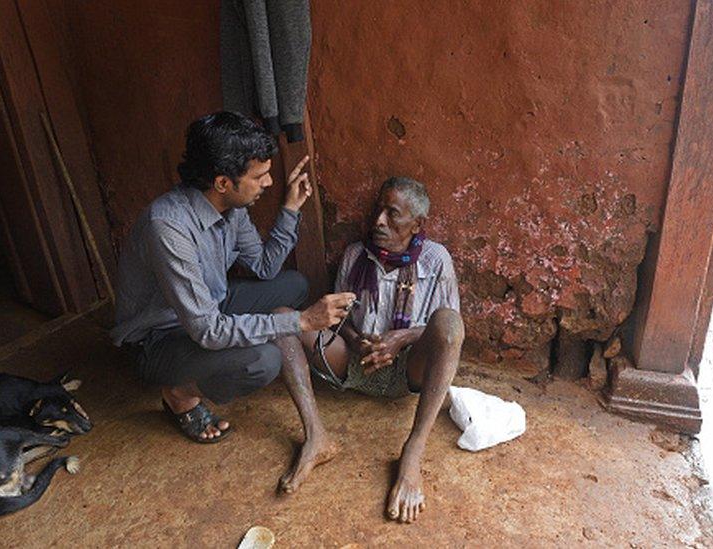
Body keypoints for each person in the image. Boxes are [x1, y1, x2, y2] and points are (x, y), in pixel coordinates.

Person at [111, 111, 355, 445]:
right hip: (159, 338)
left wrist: (291, 210)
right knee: (263, 360)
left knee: (294, 284)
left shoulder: (232, 208)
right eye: (260, 176)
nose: (268, 183)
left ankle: (257, 337)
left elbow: (265, 268)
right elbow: (208, 330)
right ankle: (180, 393)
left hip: (209, 306)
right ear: (223, 183)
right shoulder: (167, 227)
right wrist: (300, 322)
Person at [274, 176, 464, 524]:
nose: (379, 221)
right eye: (379, 210)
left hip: (410, 369)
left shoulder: (437, 260)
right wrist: (356, 336)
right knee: (283, 320)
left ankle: (413, 450)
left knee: (449, 322)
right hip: (355, 359)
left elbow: (447, 332)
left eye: (393, 214)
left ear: (418, 223)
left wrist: (400, 339)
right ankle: (316, 437)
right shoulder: (355, 256)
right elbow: (339, 320)